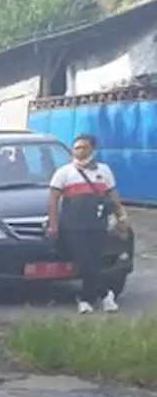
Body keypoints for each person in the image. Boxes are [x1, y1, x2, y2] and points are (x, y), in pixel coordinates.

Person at [48, 134, 131, 314]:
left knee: (94, 261)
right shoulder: (64, 172)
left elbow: (114, 197)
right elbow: (53, 201)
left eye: (83, 147)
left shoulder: (104, 171)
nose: (78, 151)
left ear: (92, 150)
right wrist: (53, 225)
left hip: (97, 224)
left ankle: (87, 299)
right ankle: (104, 294)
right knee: (83, 259)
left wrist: (122, 219)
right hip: (72, 226)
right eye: (76, 147)